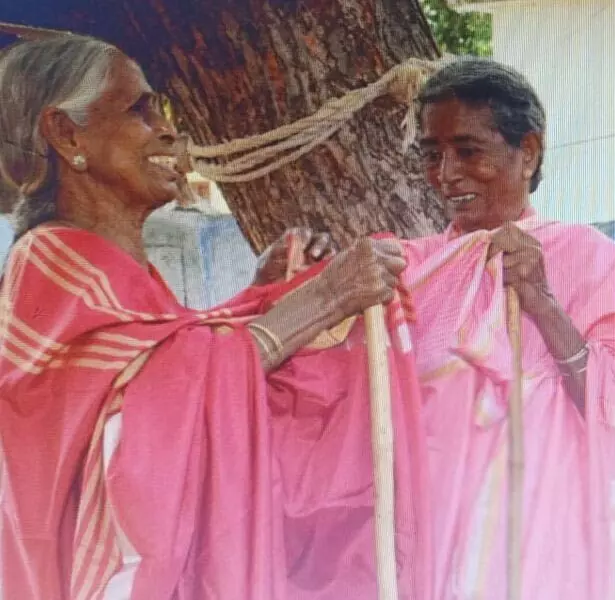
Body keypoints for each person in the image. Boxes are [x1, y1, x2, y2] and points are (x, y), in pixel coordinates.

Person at [0, 35, 431, 599]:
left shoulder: (114, 268)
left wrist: (257, 296)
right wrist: (321, 301)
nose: (169, 131)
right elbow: (151, 410)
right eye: (138, 109)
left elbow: (168, 363)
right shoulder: (52, 259)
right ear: (65, 134)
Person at [398, 57, 615, 599]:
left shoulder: (593, 259)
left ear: (528, 152)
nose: (447, 174)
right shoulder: (414, 269)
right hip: (439, 536)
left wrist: (542, 303)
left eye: (468, 151)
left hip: (550, 547)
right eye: (433, 156)